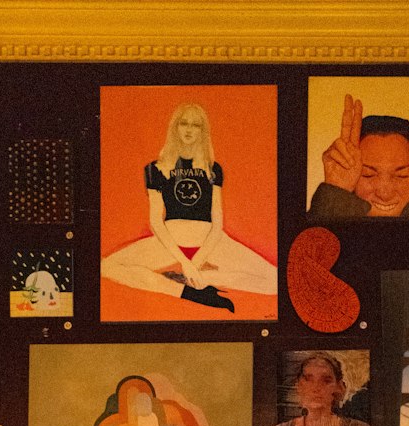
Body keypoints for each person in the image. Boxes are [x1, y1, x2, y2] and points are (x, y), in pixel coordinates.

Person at [101, 101, 277, 313]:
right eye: (184, 123)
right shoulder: (154, 169)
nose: (189, 130)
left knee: (274, 281)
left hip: (210, 242)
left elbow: (217, 221)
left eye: (196, 125)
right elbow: (156, 221)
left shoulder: (213, 169)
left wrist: (197, 265)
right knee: (106, 266)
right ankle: (184, 291)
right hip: (170, 240)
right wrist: (184, 262)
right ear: (175, 128)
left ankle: (205, 280)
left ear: (203, 131)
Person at [310, 94, 409, 220]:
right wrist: (335, 196)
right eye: (368, 174)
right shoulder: (332, 206)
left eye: (402, 175)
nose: (384, 193)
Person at [276, 352, 371, 426]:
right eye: (308, 379)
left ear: (339, 387)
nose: (316, 388)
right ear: (299, 386)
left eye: (326, 380)